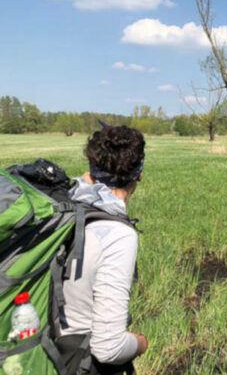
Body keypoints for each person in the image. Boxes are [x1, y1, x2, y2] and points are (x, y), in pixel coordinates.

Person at [58, 124, 148, 374]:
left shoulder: (62, 204)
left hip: (41, 349)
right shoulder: (118, 235)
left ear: (91, 171)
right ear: (139, 175)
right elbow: (108, 348)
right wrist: (140, 344)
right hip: (77, 361)